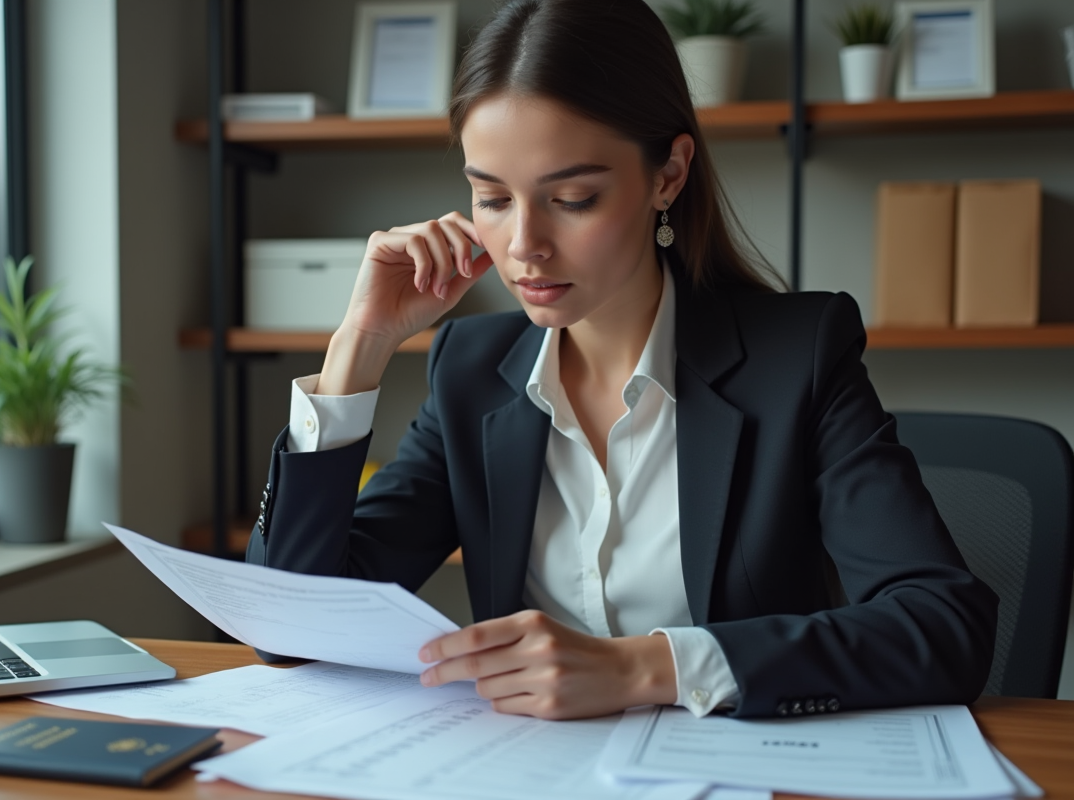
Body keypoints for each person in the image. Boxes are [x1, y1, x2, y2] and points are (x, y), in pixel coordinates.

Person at [246, 0, 997, 720]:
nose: (524, 245)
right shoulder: (471, 371)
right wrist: (360, 347)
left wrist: (646, 668)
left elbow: (942, 625)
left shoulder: (796, 356)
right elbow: (293, 622)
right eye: (493, 198)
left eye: (571, 198)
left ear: (668, 175)